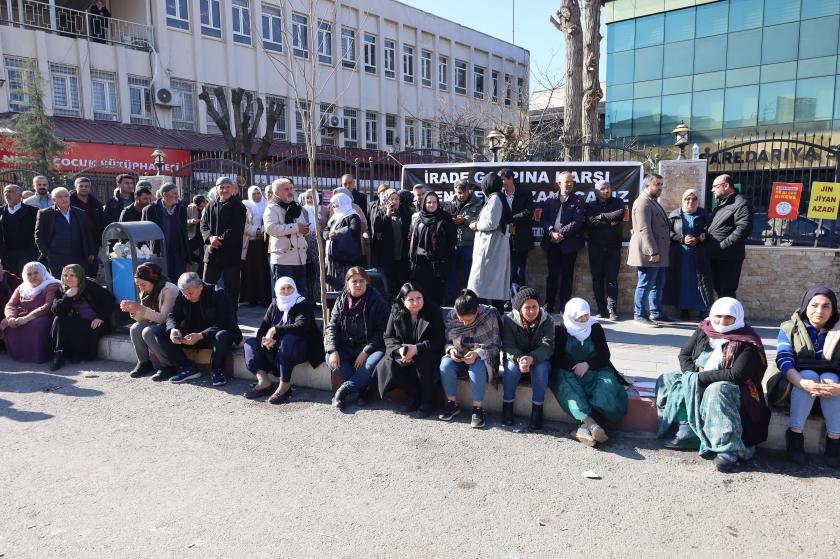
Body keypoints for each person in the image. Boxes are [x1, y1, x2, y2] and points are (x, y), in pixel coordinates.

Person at [656, 297, 770, 473]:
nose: (722, 322)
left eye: (729, 318)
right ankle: (688, 430)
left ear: (737, 318)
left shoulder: (747, 341)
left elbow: (736, 375)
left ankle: (728, 449)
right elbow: (684, 355)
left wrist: (700, 379)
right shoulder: (705, 329)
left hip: (735, 389)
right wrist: (690, 376)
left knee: (717, 389)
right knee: (669, 379)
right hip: (699, 377)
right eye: (718, 316)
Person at [772, 286, 840, 467]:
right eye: (814, 305)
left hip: (832, 392)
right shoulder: (788, 328)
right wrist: (803, 383)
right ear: (805, 306)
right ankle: (795, 435)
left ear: (833, 309)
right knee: (808, 373)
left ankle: (835, 439)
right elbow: (784, 359)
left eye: (826, 306)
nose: (819, 311)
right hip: (794, 388)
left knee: (830, 378)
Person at [549, 298, 629, 446]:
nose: (584, 319)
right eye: (580, 316)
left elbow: (604, 355)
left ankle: (584, 429)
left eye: (586, 315)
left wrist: (587, 365)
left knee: (608, 387)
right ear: (572, 315)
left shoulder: (594, 327)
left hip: (595, 369)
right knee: (566, 388)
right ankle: (591, 424)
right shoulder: (561, 329)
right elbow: (556, 357)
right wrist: (575, 366)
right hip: (569, 371)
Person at [244, 277, 324, 403]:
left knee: (288, 340)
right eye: (283, 288)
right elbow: (262, 329)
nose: (286, 291)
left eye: (289, 288)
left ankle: (285, 386)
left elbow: (301, 326)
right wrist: (265, 340)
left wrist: (274, 330)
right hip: (276, 347)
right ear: (277, 290)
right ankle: (264, 382)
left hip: (298, 347)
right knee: (250, 344)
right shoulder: (275, 305)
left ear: (294, 288)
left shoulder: (302, 303)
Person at [155, 272, 243, 387]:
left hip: (214, 335)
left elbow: (224, 322)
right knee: (161, 332)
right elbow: (173, 316)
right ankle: (187, 368)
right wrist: (173, 329)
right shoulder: (184, 295)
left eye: (190, 293)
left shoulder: (218, 293)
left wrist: (201, 335)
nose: (187, 296)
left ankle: (216, 370)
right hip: (192, 336)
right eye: (184, 294)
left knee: (222, 336)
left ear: (200, 286)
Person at [375, 282, 445, 418]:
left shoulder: (433, 311)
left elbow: (439, 340)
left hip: (427, 351)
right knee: (389, 364)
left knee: (425, 362)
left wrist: (417, 349)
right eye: (411, 299)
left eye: (419, 298)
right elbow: (388, 337)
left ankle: (427, 402)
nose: (415, 303)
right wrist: (399, 350)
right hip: (404, 351)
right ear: (403, 300)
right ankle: (414, 396)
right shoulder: (395, 310)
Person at [325, 267, 388, 409]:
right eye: (354, 281)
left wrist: (366, 351)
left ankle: (342, 391)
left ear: (367, 282)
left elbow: (382, 331)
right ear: (347, 283)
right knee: (330, 359)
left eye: (361, 281)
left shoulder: (377, 300)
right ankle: (362, 389)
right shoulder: (341, 300)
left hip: (372, 347)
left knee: (369, 365)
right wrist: (333, 350)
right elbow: (332, 327)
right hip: (347, 345)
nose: (358, 284)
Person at [501, 287, 554, 430]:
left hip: (538, 360)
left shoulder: (547, 320)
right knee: (511, 368)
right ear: (519, 308)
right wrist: (520, 359)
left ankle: (537, 410)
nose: (532, 311)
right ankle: (507, 406)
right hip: (516, 359)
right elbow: (508, 345)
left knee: (541, 368)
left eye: (535, 306)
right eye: (527, 307)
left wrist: (532, 358)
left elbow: (547, 346)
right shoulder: (508, 320)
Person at [119, 263, 180, 381]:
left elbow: (163, 318)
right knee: (135, 328)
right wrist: (133, 310)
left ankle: (167, 366)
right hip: (157, 322)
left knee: (148, 332)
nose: (140, 288)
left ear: (154, 280)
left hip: (173, 324)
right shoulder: (145, 290)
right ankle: (144, 363)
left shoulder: (169, 289)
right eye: (138, 285)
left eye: (143, 284)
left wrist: (140, 309)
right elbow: (144, 318)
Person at [49, 264, 114, 370]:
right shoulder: (61, 289)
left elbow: (109, 300)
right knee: (58, 320)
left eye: (72, 275)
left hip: (93, 322)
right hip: (75, 321)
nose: (68, 278)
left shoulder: (89, 285)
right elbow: (57, 311)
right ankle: (58, 353)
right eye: (65, 275)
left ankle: (78, 354)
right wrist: (67, 297)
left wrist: (100, 317)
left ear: (79, 276)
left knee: (86, 327)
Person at [627, 174, 671, 327]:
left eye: (661, 184)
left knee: (658, 284)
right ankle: (639, 315)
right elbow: (644, 229)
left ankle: (656, 312)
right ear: (647, 186)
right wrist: (653, 251)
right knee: (645, 284)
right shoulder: (643, 203)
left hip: (659, 253)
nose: (660, 187)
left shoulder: (651, 201)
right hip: (650, 254)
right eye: (657, 184)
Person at [664, 189, 714, 320]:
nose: (690, 202)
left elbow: (712, 230)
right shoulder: (674, 215)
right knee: (684, 282)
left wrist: (701, 237)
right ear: (683, 200)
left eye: (694, 199)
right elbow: (667, 233)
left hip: (700, 254)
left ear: (698, 201)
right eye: (687, 199)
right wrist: (681, 238)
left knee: (702, 281)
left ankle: (704, 309)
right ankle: (684, 309)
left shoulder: (705, 214)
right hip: (681, 255)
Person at [540, 171, 586, 314]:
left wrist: (560, 234)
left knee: (567, 275)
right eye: (567, 182)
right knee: (552, 275)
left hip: (569, 244)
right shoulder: (550, 199)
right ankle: (549, 304)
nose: (570, 184)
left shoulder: (578, 200)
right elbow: (543, 219)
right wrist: (551, 232)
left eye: (572, 181)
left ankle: (564, 306)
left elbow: (577, 222)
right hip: (551, 242)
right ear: (559, 184)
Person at [200, 176, 246, 316]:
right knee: (206, 285)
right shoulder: (210, 205)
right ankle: (206, 314)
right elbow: (203, 225)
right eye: (221, 187)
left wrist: (218, 241)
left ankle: (230, 316)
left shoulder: (239, 206)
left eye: (227, 187)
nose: (224, 190)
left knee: (231, 288)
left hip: (230, 254)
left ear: (232, 189)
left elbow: (236, 230)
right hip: (212, 253)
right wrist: (209, 239)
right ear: (217, 189)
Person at [467, 172, 512, 313]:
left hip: (492, 248)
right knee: (490, 285)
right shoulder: (497, 198)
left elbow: (491, 223)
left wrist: (476, 225)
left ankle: (486, 317)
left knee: (482, 284)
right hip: (493, 247)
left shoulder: (495, 199)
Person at [2, 262, 60, 363]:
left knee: (38, 325)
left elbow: (48, 306)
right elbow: (11, 304)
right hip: (24, 315)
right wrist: (11, 317)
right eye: (29, 274)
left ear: (43, 272)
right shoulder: (22, 287)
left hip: (45, 315)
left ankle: (40, 356)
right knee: (6, 323)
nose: (33, 276)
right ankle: (19, 355)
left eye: (36, 273)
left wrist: (27, 318)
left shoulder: (52, 285)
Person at [707, 174, 753, 299]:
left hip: (729, 257)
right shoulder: (723, 203)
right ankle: (721, 318)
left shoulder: (740, 202)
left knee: (727, 292)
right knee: (719, 290)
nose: (712, 190)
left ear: (726, 186)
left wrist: (722, 245)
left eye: (715, 186)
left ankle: (731, 318)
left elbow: (743, 229)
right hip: (717, 255)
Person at [585, 179, 625, 320]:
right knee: (597, 279)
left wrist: (601, 217)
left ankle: (612, 310)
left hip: (613, 247)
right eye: (603, 188)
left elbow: (619, 214)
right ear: (597, 191)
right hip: (595, 248)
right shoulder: (590, 205)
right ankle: (601, 310)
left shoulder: (618, 202)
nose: (606, 191)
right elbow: (590, 222)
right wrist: (609, 223)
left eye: (608, 188)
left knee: (612, 279)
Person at [34, 187, 95, 278]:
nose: (64, 199)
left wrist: (91, 252)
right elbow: (39, 236)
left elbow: (88, 233)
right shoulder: (45, 214)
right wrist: (47, 254)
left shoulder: (80, 213)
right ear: (54, 199)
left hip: (79, 256)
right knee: (59, 284)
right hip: (57, 257)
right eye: (60, 197)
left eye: (66, 196)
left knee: (79, 282)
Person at [408, 191, 455, 306]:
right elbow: (411, 236)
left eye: (434, 202)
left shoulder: (444, 218)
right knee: (421, 291)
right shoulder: (417, 217)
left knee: (436, 294)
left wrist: (445, 258)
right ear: (424, 203)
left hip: (437, 263)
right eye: (429, 202)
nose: (432, 205)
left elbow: (452, 240)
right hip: (419, 261)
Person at [265, 178, 309, 296]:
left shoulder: (297, 207)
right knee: (282, 296)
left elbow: (302, 227)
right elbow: (271, 228)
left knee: (300, 295)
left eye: (291, 188)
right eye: (286, 189)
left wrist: (305, 230)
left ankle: (299, 315)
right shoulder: (271, 208)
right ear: (277, 192)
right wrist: (296, 227)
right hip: (283, 259)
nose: (290, 191)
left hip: (300, 258)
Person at [142, 183, 190, 282]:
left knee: (180, 280)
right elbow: (145, 233)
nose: (177, 196)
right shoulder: (151, 209)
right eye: (174, 193)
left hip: (179, 254)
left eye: (177, 193)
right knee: (162, 280)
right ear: (164, 195)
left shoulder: (181, 209)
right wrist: (152, 251)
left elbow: (184, 231)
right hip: (161, 253)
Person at [500, 168, 535, 301]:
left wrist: (512, 222)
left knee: (519, 272)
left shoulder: (525, 193)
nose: (501, 183)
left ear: (510, 179)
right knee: (506, 272)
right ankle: (507, 300)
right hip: (503, 239)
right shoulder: (499, 195)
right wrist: (508, 225)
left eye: (503, 180)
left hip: (521, 238)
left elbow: (528, 213)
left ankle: (519, 300)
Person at [445, 179, 482, 303]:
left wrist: (464, 221)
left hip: (469, 244)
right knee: (450, 273)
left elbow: (479, 222)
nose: (461, 195)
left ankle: (469, 300)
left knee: (469, 274)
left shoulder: (478, 203)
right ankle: (450, 300)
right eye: (458, 192)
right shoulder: (449, 202)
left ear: (468, 190)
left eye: (464, 192)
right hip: (451, 244)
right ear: (454, 191)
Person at [369, 188, 411, 294]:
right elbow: (377, 228)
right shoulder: (381, 211)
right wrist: (387, 215)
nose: (394, 201)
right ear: (387, 200)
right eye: (392, 199)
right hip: (387, 255)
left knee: (400, 281)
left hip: (401, 253)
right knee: (387, 282)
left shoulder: (405, 211)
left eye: (396, 199)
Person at [239, 185, 271, 305]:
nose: (256, 196)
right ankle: (251, 298)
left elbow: (270, 222)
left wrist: (262, 231)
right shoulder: (246, 206)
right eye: (254, 194)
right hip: (250, 243)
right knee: (251, 271)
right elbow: (244, 225)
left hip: (264, 242)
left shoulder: (267, 205)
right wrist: (257, 231)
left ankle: (264, 298)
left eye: (258, 193)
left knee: (263, 270)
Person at [324, 192, 362, 291]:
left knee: (344, 283)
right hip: (332, 258)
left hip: (345, 257)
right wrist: (328, 235)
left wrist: (337, 233)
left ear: (343, 203)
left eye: (336, 204)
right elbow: (326, 231)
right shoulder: (334, 217)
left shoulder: (353, 216)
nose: (334, 206)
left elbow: (355, 229)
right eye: (333, 205)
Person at [0, 184, 39, 276]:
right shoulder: (1, 212)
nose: (7, 194)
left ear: (20, 195)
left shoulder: (33, 211)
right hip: (6, 255)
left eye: (10, 191)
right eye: (5, 191)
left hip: (27, 254)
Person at [69, 177, 105, 276]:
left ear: (90, 188)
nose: (84, 188)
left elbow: (100, 224)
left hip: (93, 241)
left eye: (86, 186)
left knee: (91, 270)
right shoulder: (69, 202)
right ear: (75, 187)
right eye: (81, 186)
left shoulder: (96, 203)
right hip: (75, 240)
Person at [187, 194, 207, 274]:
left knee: (204, 255)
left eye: (202, 206)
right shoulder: (190, 208)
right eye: (198, 206)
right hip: (195, 234)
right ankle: (200, 261)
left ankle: (201, 272)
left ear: (205, 202)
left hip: (205, 234)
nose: (200, 208)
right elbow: (185, 220)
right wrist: (191, 221)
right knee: (187, 250)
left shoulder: (210, 207)